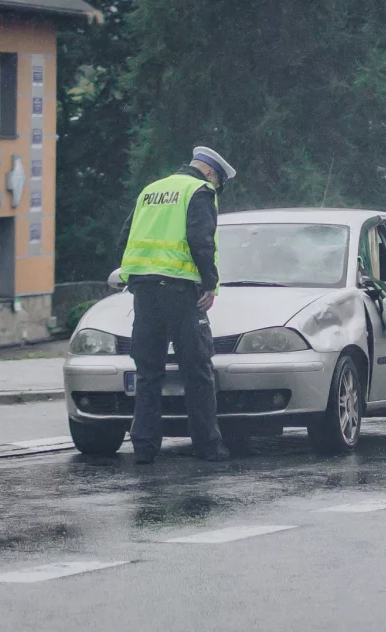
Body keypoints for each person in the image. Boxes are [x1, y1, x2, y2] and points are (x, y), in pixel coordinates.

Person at [117, 146, 236, 464]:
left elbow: (126, 235)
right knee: (197, 369)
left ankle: (143, 447)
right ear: (210, 174)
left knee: (148, 372)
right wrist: (210, 284)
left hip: (144, 292)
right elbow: (201, 240)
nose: (216, 191)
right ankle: (208, 445)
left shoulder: (151, 190)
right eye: (217, 184)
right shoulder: (199, 190)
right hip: (181, 293)